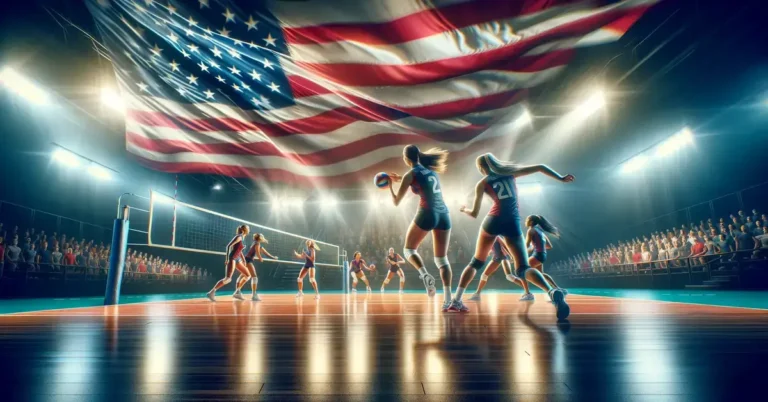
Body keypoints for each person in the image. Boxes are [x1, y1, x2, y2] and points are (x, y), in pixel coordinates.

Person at [453, 153, 574, 320]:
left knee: (476, 262)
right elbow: (540, 167)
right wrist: (560, 178)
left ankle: (456, 300)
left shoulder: (482, 183)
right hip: (512, 223)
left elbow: (474, 213)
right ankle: (552, 291)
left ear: (481, 168)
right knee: (523, 268)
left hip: (493, 220)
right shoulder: (509, 174)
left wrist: (463, 210)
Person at [387, 145, 453, 310]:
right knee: (442, 260)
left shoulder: (411, 174)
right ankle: (448, 300)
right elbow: (422, 182)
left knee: (409, 250)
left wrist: (389, 185)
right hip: (444, 214)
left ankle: (425, 275)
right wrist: (402, 179)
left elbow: (396, 201)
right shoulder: (431, 171)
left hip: (427, 213)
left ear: (405, 158)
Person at [468, 237, 529, 301]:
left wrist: (511, 256)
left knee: (509, 276)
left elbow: (505, 245)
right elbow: (494, 248)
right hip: (496, 258)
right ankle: (477, 295)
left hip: (504, 257)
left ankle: (528, 292)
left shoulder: (497, 237)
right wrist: (490, 251)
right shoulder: (487, 238)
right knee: (484, 275)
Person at [206, 225, 251, 302]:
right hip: (232, 258)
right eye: (248, 228)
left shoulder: (243, 238)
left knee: (248, 275)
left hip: (238, 259)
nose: (249, 229)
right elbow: (228, 246)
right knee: (228, 279)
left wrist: (243, 260)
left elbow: (240, 251)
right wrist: (227, 259)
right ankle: (211, 292)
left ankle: (237, 292)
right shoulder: (239, 237)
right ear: (245, 230)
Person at [525, 215, 567, 292]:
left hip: (537, 255)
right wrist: (535, 246)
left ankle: (528, 293)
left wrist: (517, 256)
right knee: (541, 274)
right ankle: (557, 288)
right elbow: (549, 246)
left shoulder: (530, 230)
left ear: (531, 222)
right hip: (542, 255)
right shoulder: (540, 232)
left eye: (527, 219)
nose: (525, 221)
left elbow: (526, 246)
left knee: (522, 271)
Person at [233, 233, 277, 301]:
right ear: (260, 238)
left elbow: (265, 252)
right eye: (262, 237)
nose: (263, 238)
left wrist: (273, 257)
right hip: (248, 260)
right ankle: (253, 295)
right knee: (254, 277)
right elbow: (258, 252)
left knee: (246, 276)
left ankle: (237, 291)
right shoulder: (257, 244)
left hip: (246, 259)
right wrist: (260, 258)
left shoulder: (256, 243)